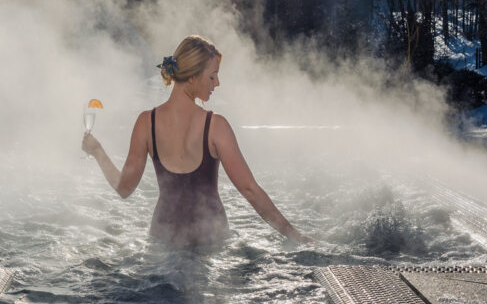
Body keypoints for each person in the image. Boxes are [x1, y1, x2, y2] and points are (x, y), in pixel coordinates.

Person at [82, 35, 314, 246]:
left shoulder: (146, 122)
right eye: (212, 76)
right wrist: (293, 235)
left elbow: (124, 188)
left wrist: (97, 151)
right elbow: (250, 190)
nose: (217, 83)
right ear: (192, 77)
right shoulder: (216, 126)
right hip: (210, 240)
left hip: (164, 240)